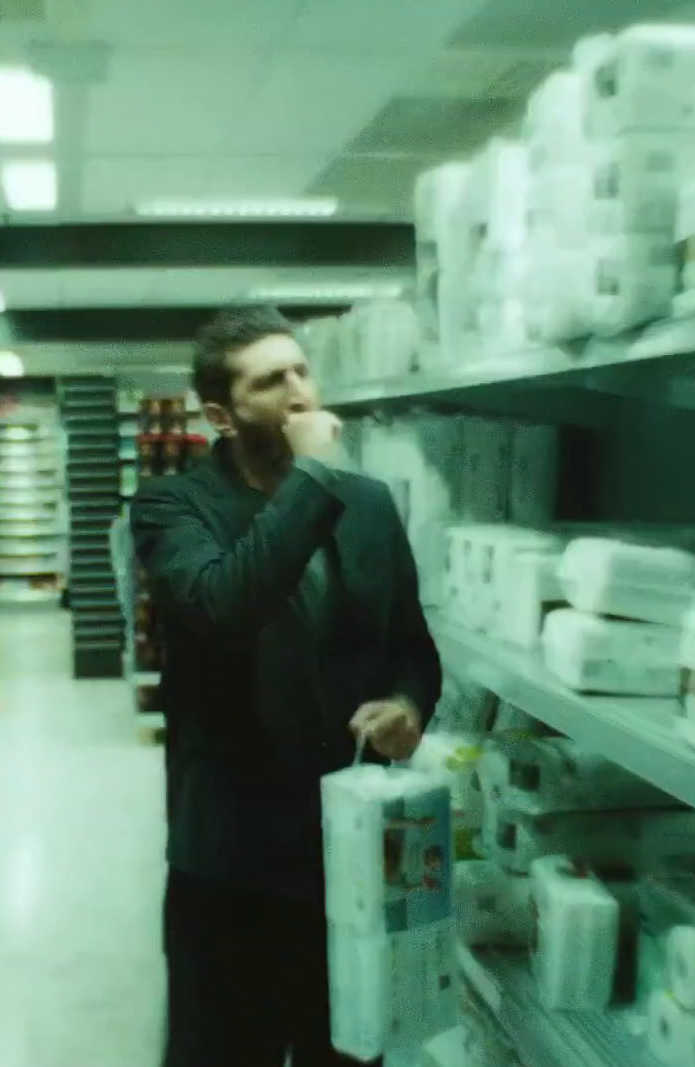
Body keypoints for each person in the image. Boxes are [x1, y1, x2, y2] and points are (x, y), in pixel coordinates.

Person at [132, 306, 441, 1067]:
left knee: (346, 1045)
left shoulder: (367, 504)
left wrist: (408, 704)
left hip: (351, 844)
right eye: (273, 382)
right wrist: (311, 476)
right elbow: (223, 607)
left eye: (303, 370)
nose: (302, 391)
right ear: (221, 415)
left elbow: (410, 642)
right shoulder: (172, 508)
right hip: (231, 857)